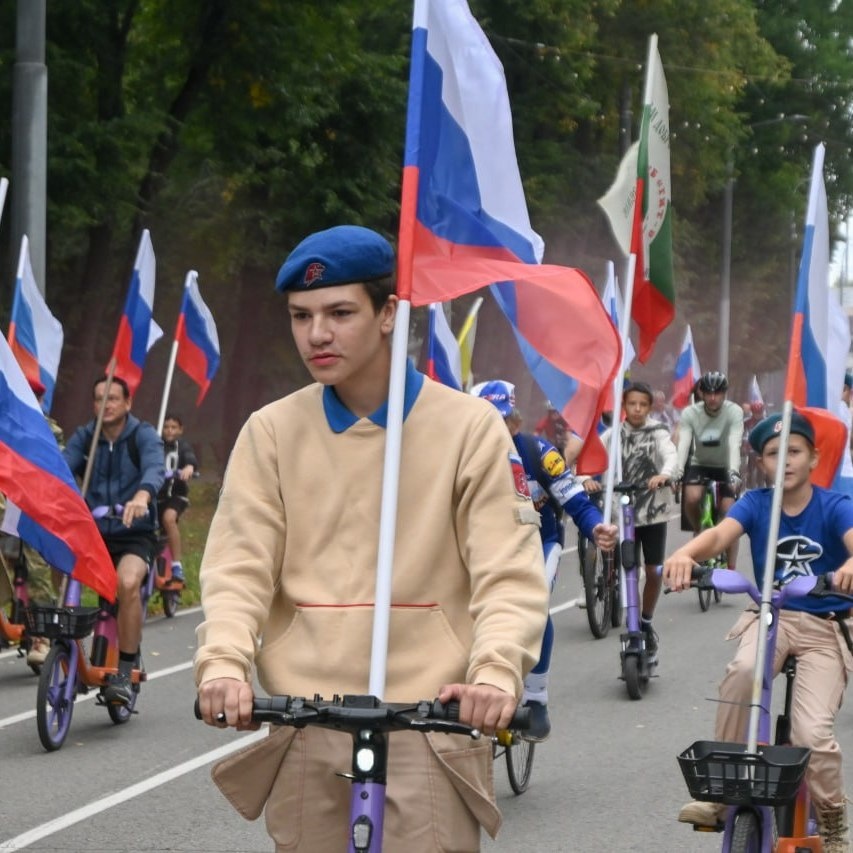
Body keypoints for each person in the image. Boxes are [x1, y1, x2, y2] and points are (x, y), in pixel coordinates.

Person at [194, 225, 549, 851]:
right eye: (301, 317)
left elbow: (507, 573)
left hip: (430, 721)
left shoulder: (469, 428)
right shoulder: (271, 432)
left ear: (389, 313)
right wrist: (223, 661)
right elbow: (238, 566)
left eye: (339, 312)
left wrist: (495, 675)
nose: (317, 334)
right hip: (306, 718)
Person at [664, 411, 853, 852]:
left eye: (793, 451)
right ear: (761, 463)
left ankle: (833, 819)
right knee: (743, 673)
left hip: (825, 626)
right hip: (771, 617)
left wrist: (848, 567)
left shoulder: (834, 505)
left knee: (810, 735)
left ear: (813, 457)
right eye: (773, 453)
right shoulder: (755, 503)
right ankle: (722, 796)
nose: (783, 461)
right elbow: (718, 535)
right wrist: (686, 555)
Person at [472, 379, 617, 740]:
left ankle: (537, 697)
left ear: (515, 423)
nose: (495, 431)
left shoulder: (540, 453)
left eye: (502, 421)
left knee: (534, 607)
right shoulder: (461, 455)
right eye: (485, 421)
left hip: (540, 542)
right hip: (484, 547)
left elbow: (575, 500)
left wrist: (596, 526)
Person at [63, 376, 164, 706]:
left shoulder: (143, 435)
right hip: (94, 533)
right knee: (62, 568)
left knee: (127, 582)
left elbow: (154, 469)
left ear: (128, 403)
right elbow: (64, 467)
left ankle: (124, 669)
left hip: (135, 534)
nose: (105, 405)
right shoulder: (86, 437)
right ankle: (66, 654)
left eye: (113, 399)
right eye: (99, 399)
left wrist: (142, 496)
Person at [582, 381, 678, 660]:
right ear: (624, 406)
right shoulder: (613, 435)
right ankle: (628, 614)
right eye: (632, 404)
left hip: (653, 512)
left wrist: (664, 475)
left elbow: (670, 456)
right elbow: (591, 459)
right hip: (622, 513)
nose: (637, 409)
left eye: (643, 404)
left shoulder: (658, 432)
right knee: (629, 570)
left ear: (650, 407)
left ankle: (645, 621)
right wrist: (586, 477)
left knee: (654, 571)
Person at [0, 376, 66, 665]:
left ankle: (41, 636)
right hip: (7, 507)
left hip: (38, 509)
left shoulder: (49, 430)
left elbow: (56, 469)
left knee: (38, 571)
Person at [675, 370, 744, 570]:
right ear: (701, 394)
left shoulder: (734, 412)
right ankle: (699, 530)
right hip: (700, 464)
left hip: (725, 466)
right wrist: (678, 472)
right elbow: (684, 444)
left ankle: (731, 566)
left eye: (718, 393)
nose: (713, 398)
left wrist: (733, 472)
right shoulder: (690, 413)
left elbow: (734, 443)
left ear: (724, 394)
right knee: (692, 498)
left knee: (729, 514)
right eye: (709, 393)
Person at [156, 413, 198, 583]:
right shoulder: (155, 446)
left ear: (180, 430)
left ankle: (176, 564)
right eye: (166, 427)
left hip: (176, 495)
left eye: (173, 427)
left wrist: (188, 467)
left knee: (168, 518)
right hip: (156, 496)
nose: (169, 431)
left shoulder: (183, 447)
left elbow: (190, 458)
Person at [534, 402, 584, 468]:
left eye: (557, 411)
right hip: (552, 446)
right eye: (552, 412)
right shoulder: (545, 421)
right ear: (549, 412)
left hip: (565, 447)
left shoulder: (565, 420)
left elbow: (569, 436)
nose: (555, 414)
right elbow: (535, 435)